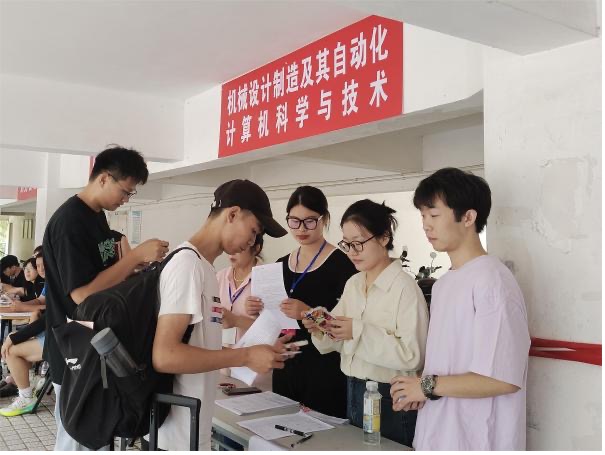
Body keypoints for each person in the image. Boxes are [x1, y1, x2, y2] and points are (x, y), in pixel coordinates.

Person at [390, 167, 531, 450]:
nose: (426, 225)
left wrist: (426, 386)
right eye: (423, 216)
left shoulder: (492, 281)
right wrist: (420, 388)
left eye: (434, 215)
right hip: (440, 432)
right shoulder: (445, 284)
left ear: (468, 217)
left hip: (478, 439)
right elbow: (450, 364)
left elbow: (502, 378)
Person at [43, 145, 170, 451]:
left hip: (95, 348)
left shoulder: (96, 216)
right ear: (103, 178)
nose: (126, 199)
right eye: (125, 191)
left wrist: (130, 268)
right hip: (74, 351)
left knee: (95, 439)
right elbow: (83, 294)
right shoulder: (69, 222)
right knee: (76, 440)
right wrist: (134, 256)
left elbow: (100, 277)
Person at [151, 179, 292, 451]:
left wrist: (253, 350)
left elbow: (198, 346)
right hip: (176, 438)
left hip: (192, 430)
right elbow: (165, 355)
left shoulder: (203, 267)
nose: (253, 241)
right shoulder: (187, 266)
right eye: (253, 231)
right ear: (233, 214)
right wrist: (245, 356)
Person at [302, 199, 429, 446]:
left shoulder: (405, 288)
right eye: (346, 244)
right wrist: (322, 329)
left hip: (390, 397)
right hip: (354, 389)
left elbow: (413, 355)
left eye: (358, 243)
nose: (351, 251)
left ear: (383, 238)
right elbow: (339, 340)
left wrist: (357, 331)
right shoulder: (354, 283)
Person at [246, 186, 357, 418]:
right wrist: (257, 310)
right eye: (294, 221)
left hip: (324, 369)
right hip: (285, 366)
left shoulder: (343, 266)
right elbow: (274, 319)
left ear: (324, 219)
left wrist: (308, 312)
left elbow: (350, 326)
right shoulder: (280, 264)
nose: (301, 229)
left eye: (310, 221)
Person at [216, 235, 272, 389]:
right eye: (230, 246)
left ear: (257, 248)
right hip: (221, 368)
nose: (232, 252)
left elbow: (278, 332)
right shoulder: (220, 277)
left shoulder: (268, 279)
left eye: (240, 247)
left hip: (254, 373)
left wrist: (236, 320)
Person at [0, 250, 48, 413]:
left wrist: (17, 337)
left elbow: (49, 313)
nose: (41, 269)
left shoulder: (56, 282)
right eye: (38, 265)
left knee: (10, 349)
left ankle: (26, 396)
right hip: (54, 333)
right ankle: (25, 379)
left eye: (43, 265)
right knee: (12, 338)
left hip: (60, 338)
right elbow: (41, 304)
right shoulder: (51, 282)